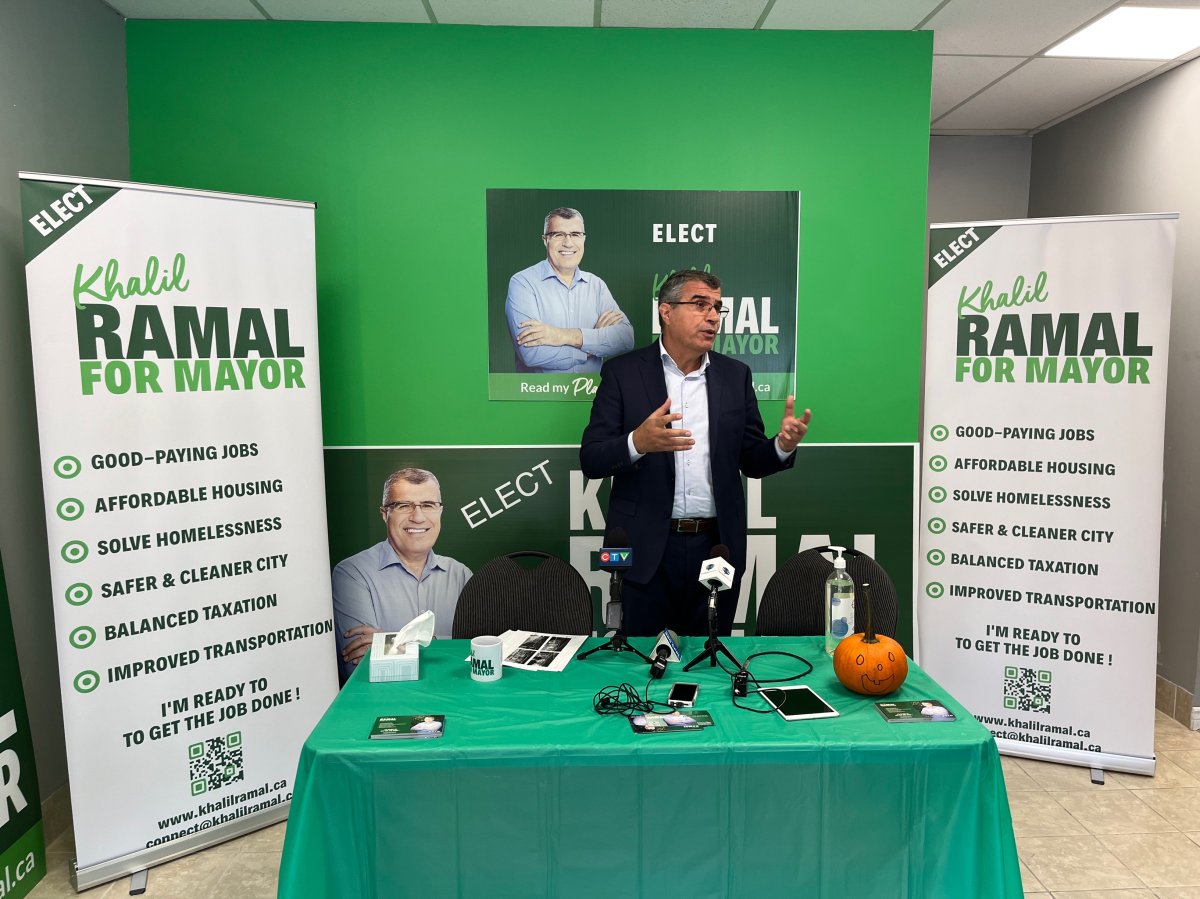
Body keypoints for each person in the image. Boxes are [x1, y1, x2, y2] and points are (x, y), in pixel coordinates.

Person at [580, 270, 811, 637]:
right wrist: (638, 442)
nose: (713, 316)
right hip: (647, 549)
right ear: (666, 312)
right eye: (700, 304)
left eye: (718, 307)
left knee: (710, 667)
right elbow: (591, 459)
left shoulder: (735, 376)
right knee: (641, 669)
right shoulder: (623, 374)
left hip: (715, 547)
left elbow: (751, 458)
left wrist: (781, 446)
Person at [332, 468, 471, 684]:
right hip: (383, 708)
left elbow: (478, 654)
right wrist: (451, 646)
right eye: (403, 506)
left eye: (428, 505)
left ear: (440, 511)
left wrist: (392, 643)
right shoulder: (352, 574)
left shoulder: (461, 575)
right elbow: (361, 668)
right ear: (384, 514)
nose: (417, 517)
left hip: (456, 701)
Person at [505, 206, 634, 373]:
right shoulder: (523, 283)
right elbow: (532, 353)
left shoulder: (596, 285)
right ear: (545, 240)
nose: (568, 242)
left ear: (583, 239)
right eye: (558, 234)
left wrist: (563, 336)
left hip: (591, 396)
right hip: (540, 396)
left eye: (575, 234)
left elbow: (625, 339)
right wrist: (592, 346)